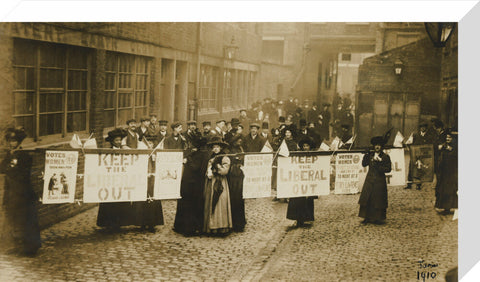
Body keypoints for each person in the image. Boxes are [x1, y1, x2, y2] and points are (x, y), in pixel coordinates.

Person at [1, 127, 41, 256]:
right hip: (12, 192)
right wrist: (9, 163)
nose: (12, 143)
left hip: (23, 193)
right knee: (14, 219)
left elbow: (23, 174)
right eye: (10, 141)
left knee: (25, 220)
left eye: (14, 141)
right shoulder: (10, 154)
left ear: (19, 142)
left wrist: (10, 168)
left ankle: (28, 248)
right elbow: (1, 168)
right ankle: (16, 246)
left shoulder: (24, 155)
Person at [174, 135, 209, 236]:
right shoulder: (202, 153)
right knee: (191, 205)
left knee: (190, 206)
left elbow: (195, 167)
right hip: (193, 184)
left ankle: (190, 228)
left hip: (192, 185)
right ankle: (185, 226)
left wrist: (188, 159)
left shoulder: (199, 154)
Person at [358, 136, 392, 225]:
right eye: (375, 145)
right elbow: (364, 164)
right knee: (367, 198)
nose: (377, 147)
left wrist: (379, 166)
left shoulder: (385, 157)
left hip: (379, 180)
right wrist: (365, 155)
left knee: (378, 199)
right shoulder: (370, 155)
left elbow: (388, 169)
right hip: (370, 179)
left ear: (381, 147)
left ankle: (378, 218)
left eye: (379, 145)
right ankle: (366, 217)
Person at [203, 136, 233, 235]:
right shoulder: (211, 158)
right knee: (211, 202)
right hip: (211, 182)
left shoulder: (224, 158)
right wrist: (208, 172)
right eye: (214, 147)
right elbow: (207, 169)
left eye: (217, 147)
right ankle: (212, 227)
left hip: (220, 182)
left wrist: (217, 167)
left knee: (220, 202)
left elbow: (225, 171)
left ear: (220, 148)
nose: (215, 149)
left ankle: (221, 226)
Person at [286, 137, 316, 227]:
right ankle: (298, 219)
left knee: (308, 200)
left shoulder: (313, 156)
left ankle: (307, 217)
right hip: (299, 181)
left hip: (309, 180)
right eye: (304, 146)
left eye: (307, 146)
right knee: (298, 200)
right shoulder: (298, 155)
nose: (305, 148)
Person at [434, 129, 457, 214]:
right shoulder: (444, 146)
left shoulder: (455, 147)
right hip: (443, 172)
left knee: (450, 190)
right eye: (447, 137)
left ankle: (448, 207)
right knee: (442, 189)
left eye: (449, 137)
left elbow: (455, 157)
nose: (447, 139)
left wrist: (449, 149)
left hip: (451, 172)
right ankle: (443, 206)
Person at [406, 121, 435, 190]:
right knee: (412, 168)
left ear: (426, 128)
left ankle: (419, 183)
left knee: (421, 169)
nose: (422, 128)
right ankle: (409, 183)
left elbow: (430, 146)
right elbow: (409, 142)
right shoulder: (415, 135)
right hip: (415, 155)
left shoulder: (429, 136)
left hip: (424, 156)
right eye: (421, 127)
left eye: (424, 127)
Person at [227, 134, 246, 232]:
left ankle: (240, 222)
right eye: (238, 140)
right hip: (234, 177)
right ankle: (235, 222)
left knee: (239, 199)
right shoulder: (232, 151)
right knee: (234, 199)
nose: (240, 141)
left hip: (239, 176)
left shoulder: (240, 148)